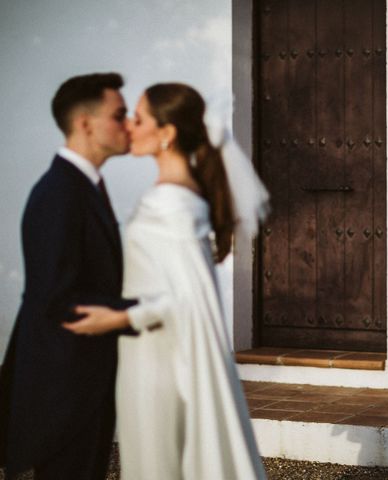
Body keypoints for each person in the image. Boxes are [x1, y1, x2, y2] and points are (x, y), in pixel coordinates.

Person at [63, 83, 268, 479]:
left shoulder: (169, 204)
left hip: (159, 362)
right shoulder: (182, 197)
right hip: (157, 352)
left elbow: (188, 300)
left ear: (166, 134)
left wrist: (120, 319)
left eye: (139, 119)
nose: (130, 127)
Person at [0, 72, 136, 480]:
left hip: (84, 380)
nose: (128, 124)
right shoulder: (59, 193)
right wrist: (152, 311)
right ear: (85, 123)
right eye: (120, 114)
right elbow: (59, 299)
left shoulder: (83, 186)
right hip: (65, 388)